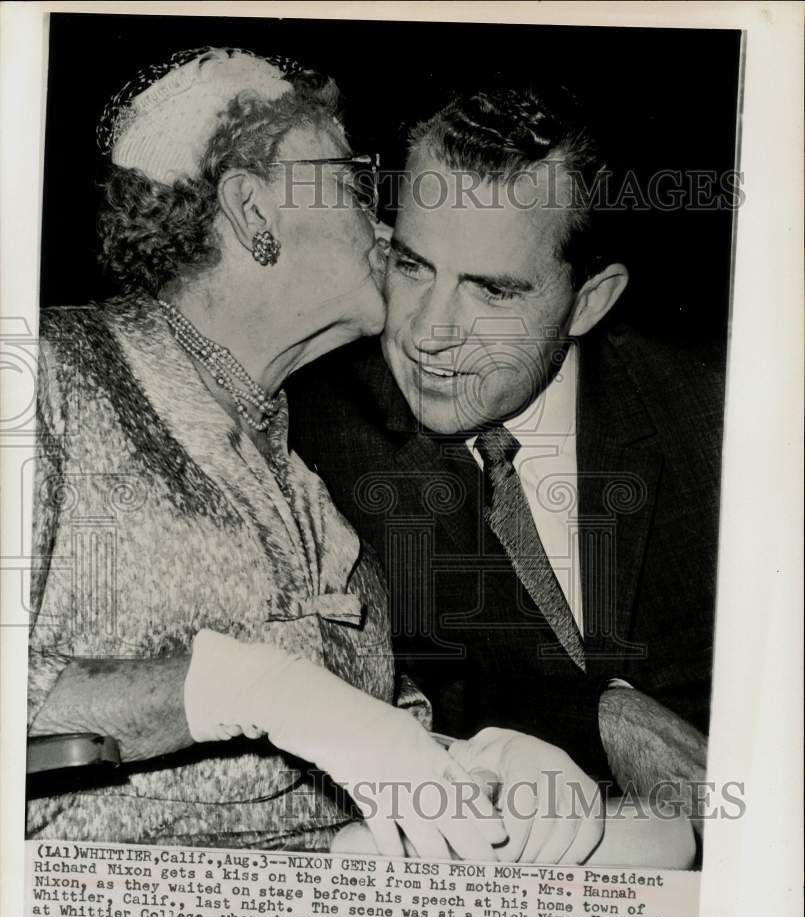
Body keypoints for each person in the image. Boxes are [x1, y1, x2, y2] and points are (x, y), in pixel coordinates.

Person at [26, 47, 515, 859]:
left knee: (654, 837)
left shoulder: (305, 470)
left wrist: (476, 760)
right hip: (114, 913)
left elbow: (364, 727)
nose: (388, 224)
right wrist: (242, 688)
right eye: (353, 181)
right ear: (253, 211)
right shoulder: (46, 376)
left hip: (322, 886)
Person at [287, 86, 724, 818]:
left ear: (589, 301)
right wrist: (604, 715)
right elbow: (411, 678)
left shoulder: (716, 414)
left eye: (491, 292)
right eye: (412, 265)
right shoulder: (316, 432)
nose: (428, 333)